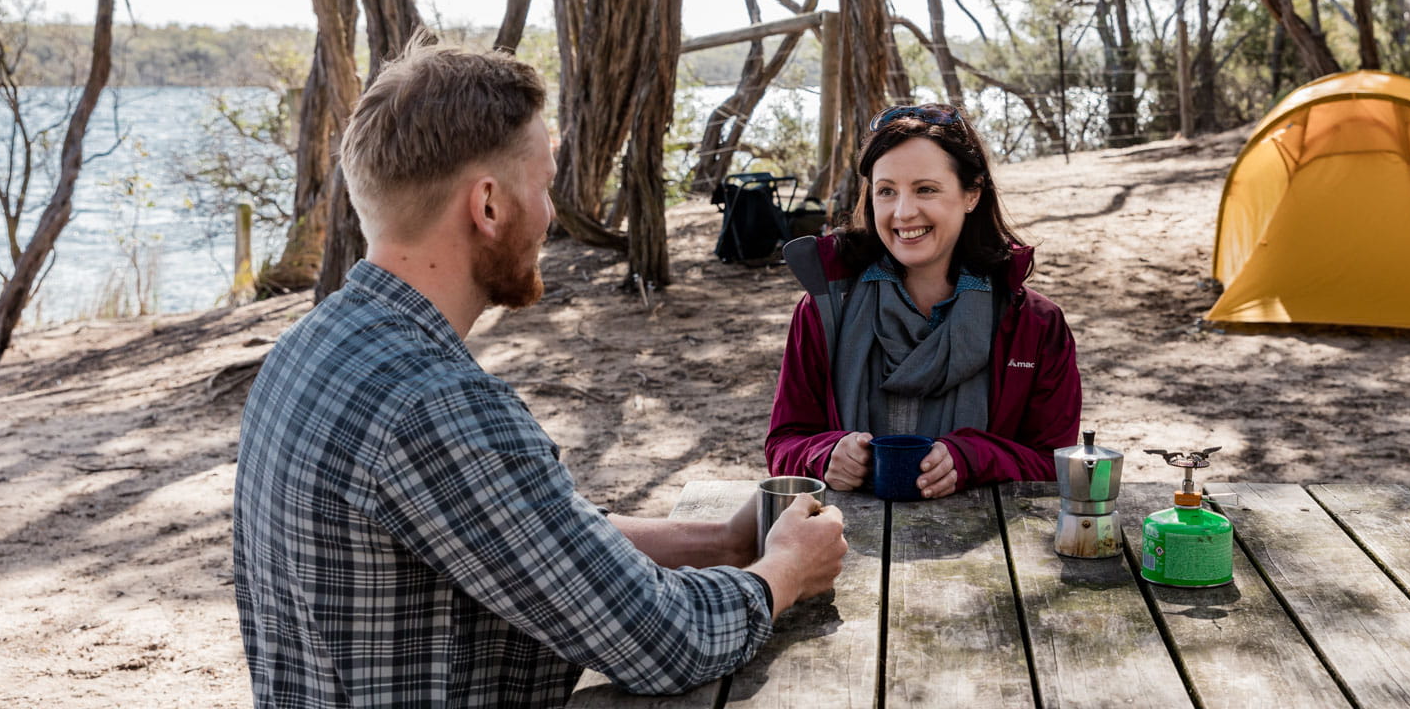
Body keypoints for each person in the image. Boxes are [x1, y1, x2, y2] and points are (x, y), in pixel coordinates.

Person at [232, 41, 846, 707]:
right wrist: (785, 570)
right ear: (488, 205)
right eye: (545, 183)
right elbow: (667, 639)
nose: (551, 213)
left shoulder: (309, 347)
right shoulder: (434, 404)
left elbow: (535, 535)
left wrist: (721, 540)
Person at [764, 103, 1083, 499]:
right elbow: (784, 443)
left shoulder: (1035, 326)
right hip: (840, 548)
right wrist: (823, 454)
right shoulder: (824, 310)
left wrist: (972, 459)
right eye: (886, 191)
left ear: (972, 194)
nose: (903, 212)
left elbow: (1057, 464)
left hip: (992, 551)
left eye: (925, 189)